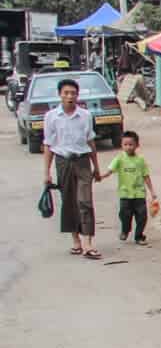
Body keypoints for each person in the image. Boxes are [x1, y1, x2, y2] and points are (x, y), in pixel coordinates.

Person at [42, 77, 103, 260]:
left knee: (85, 201)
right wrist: (46, 172)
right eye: (66, 93)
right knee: (69, 201)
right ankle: (76, 241)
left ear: (78, 95)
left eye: (73, 93)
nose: (70, 96)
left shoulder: (85, 115)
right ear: (59, 95)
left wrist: (96, 167)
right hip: (63, 162)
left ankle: (88, 243)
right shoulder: (51, 117)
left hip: (83, 161)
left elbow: (90, 141)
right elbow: (48, 145)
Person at [100, 130, 158, 246]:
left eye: (131, 144)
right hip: (125, 193)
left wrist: (152, 191)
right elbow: (110, 170)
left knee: (142, 216)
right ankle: (125, 230)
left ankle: (139, 236)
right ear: (121, 145)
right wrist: (102, 176)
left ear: (137, 145)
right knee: (124, 214)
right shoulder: (119, 159)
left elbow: (146, 176)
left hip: (139, 194)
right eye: (125, 144)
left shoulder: (140, 160)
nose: (128, 147)